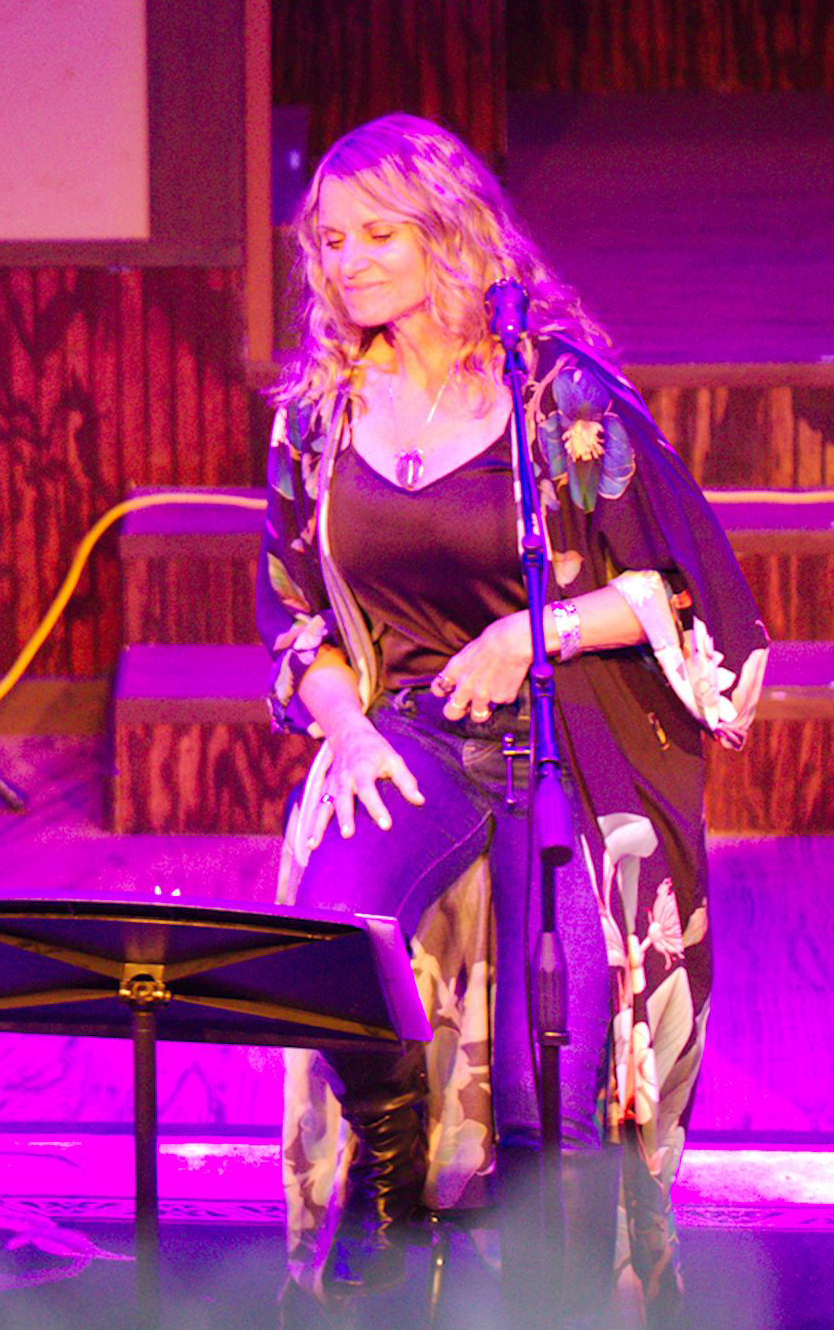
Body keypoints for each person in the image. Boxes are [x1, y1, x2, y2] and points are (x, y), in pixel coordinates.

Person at [257, 114, 768, 1326]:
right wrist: (345, 727)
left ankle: (556, 1297)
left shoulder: (559, 400)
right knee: (329, 943)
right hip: (413, 734)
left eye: (377, 235)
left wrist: (532, 634)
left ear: (448, 234)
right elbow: (291, 617)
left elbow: (689, 592)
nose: (346, 262)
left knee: (557, 1085)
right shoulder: (317, 418)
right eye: (328, 241)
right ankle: (389, 1170)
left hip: (566, 751)